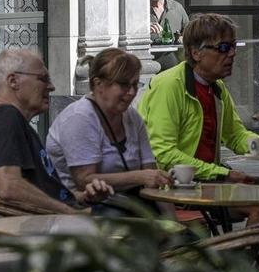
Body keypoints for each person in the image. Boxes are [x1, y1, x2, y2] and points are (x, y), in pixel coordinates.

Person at [138, 14, 259, 225]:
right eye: (223, 48)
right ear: (196, 53)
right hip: (179, 187)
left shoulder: (215, 86)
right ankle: (246, 257)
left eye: (233, 46)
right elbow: (164, 153)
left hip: (209, 180)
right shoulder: (169, 86)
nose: (232, 54)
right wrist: (222, 174)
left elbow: (235, 136)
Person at [0, 49, 114, 214]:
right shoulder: (5, 116)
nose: (51, 87)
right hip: (41, 230)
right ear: (13, 81)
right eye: (43, 79)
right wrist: (70, 213)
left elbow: (44, 189)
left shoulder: (8, 120)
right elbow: (9, 186)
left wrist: (83, 197)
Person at [47, 48, 172, 194]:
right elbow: (84, 180)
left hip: (130, 206)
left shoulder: (132, 117)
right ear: (99, 84)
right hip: (84, 209)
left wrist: (169, 216)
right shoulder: (79, 118)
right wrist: (140, 177)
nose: (131, 92)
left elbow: (151, 174)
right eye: (124, 84)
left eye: (135, 84)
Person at [149, 0, 190, 71]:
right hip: (144, 76)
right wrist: (141, 32)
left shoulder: (177, 8)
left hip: (173, 76)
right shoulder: (136, 10)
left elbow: (191, 37)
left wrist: (181, 38)